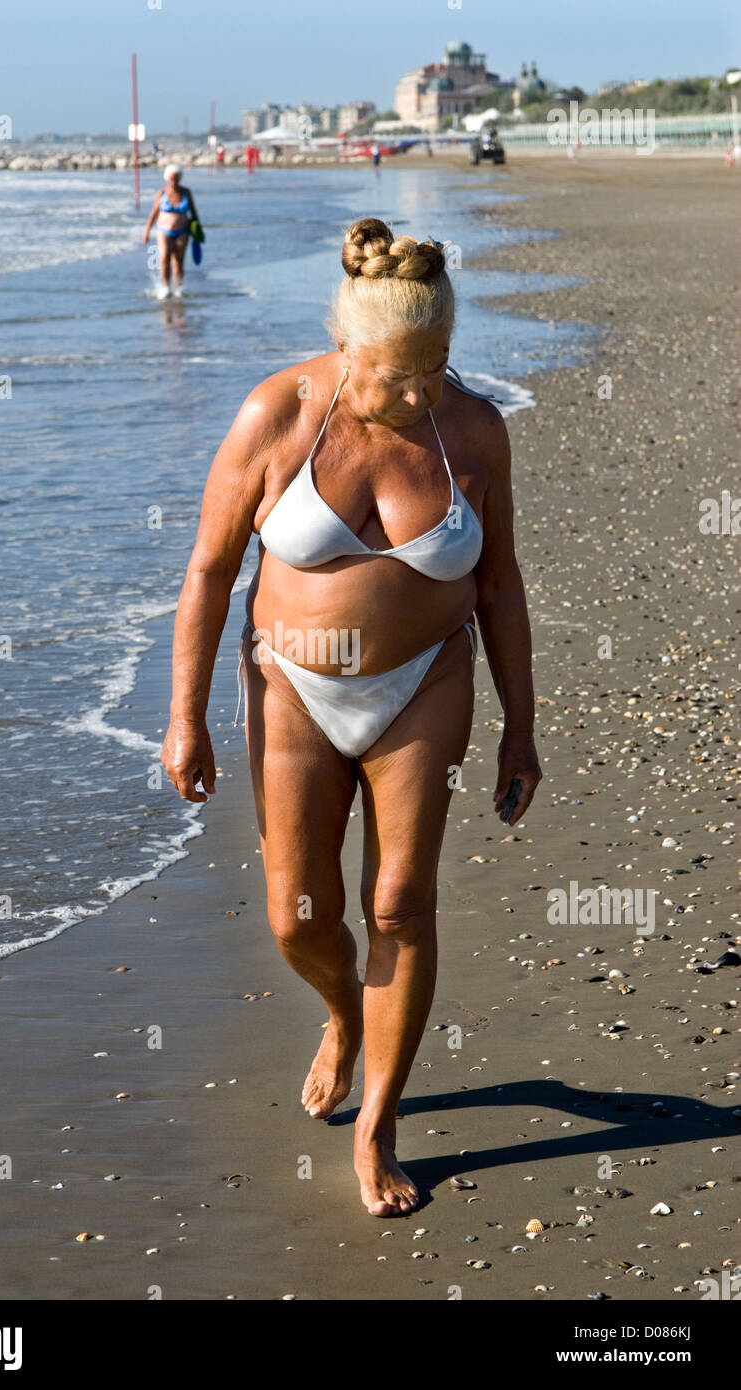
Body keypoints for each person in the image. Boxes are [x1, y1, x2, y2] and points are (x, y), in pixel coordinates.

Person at [161, 218, 542, 1217]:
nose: (420, 393)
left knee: (400, 905)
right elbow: (208, 572)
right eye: (397, 374)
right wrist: (185, 716)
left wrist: (521, 726)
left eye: (439, 367)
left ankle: (378, 1124)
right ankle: (342, 1008)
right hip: (291, 685)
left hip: (425, 684)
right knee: (302, 917)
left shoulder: (473, 430)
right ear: (344, 343)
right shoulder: (276, 416)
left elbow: (500, 589)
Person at [141, 163, 199, 299]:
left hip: (183, 230)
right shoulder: (162, 193)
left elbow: (194, 213)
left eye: (176, 178)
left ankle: (178, 287)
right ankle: (166, 287)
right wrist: (147, 232)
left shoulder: (186, 192)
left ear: (180, 178)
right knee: (164, 256)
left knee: (178, 260)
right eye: (171, 178)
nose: (173, 181)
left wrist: (197, 233)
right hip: (163, 230)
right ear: (167, 178)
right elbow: (154, 213)